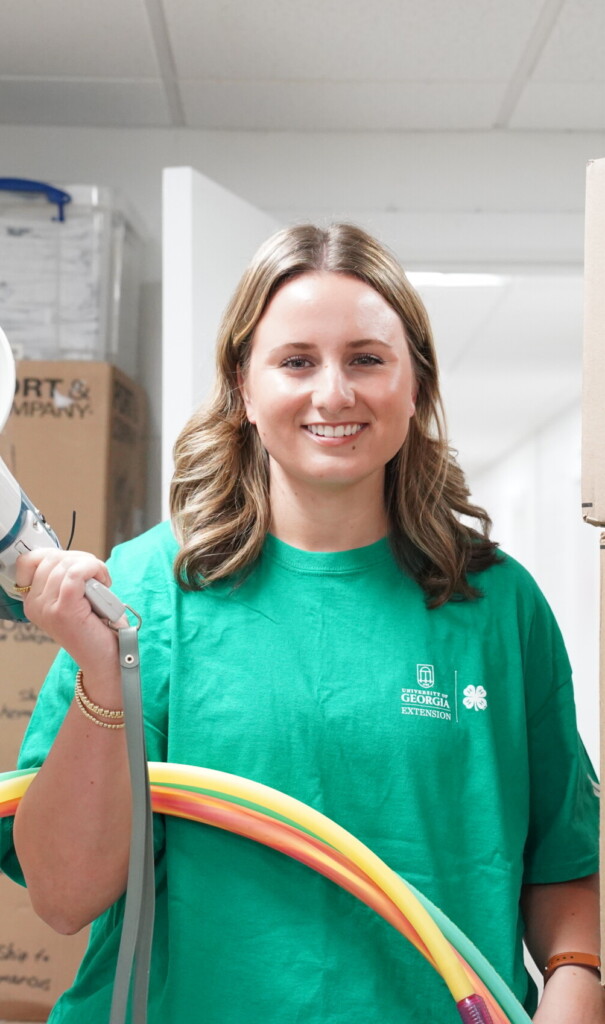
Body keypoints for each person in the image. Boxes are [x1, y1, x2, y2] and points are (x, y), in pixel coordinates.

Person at [0, 223, 601, 1024]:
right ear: (243, 389)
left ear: (414, 383)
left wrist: (576, 978)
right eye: (295, 361)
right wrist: (103, 676)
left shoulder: (495, 606)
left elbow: (563, 856)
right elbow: (66, 894)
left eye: (365, 359)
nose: (333, 393)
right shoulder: (146, 591)